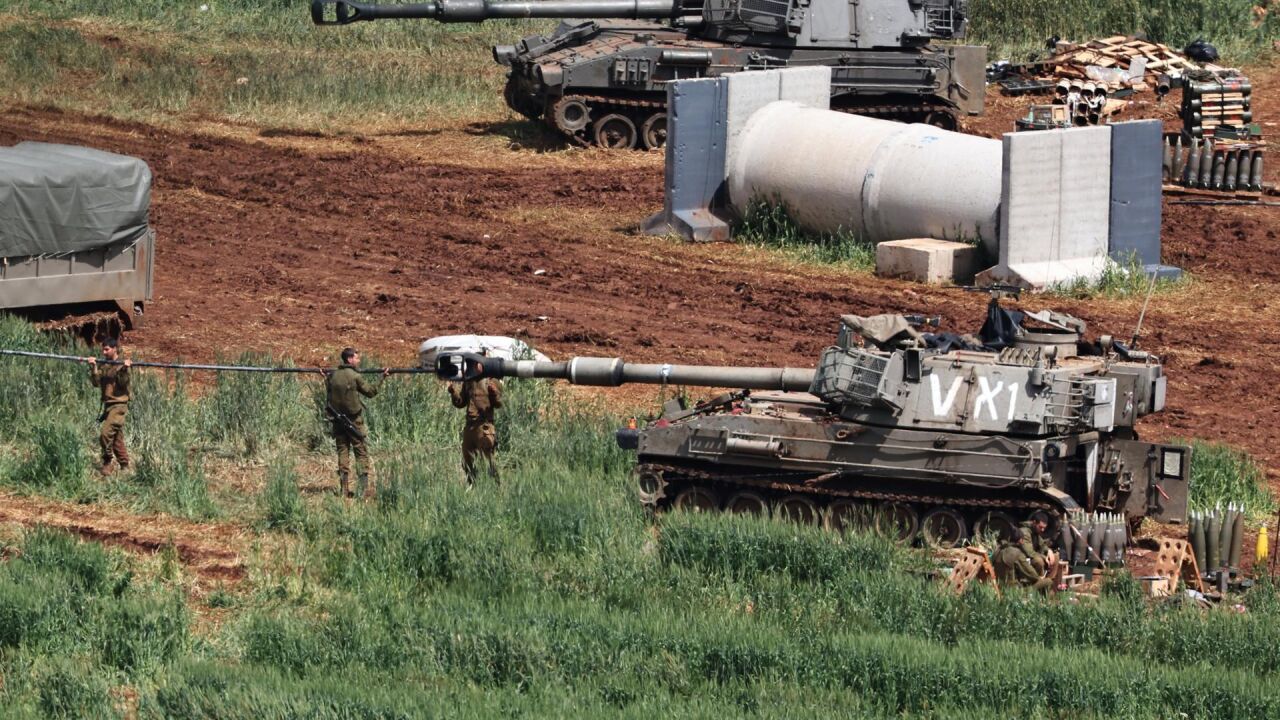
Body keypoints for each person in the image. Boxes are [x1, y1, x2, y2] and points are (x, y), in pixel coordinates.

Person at [325, 347, 389, 499]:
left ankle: (344, 490)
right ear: (349, 359)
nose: (358, 360)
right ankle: (362, 491)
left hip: (338, 421)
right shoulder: (355, 376)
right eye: (356, 358)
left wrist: (325, 377)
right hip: (354, 421)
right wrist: (382, 378)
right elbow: (371, 392)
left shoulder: (333, 376)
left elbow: (329, 390)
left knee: (342, 452)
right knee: (360, 452)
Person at [448, 355, 502, 486]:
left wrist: (494, 393)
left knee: (488, 461)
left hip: (484, 427)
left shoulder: (492, 380)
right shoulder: (469, 380)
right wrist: (453, 393)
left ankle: (496, 487)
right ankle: (473, 486)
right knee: (467, 460)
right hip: (470, 427)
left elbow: (499, 403)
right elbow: (461, 402)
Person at [85, 337, 132, 475]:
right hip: (108, 406)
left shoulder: (122, 365)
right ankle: (125, 465)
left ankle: (107, 462)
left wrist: (124, 369)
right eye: (103, 350)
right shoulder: (104, 365)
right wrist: (94, 366)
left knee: (105, 434)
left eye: (107, 349)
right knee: (116, 438)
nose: (104, 352)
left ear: (114, 349)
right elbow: (96, 383)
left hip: (119, 405)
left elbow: (123, 383)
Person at [993, 526, 1054, 593]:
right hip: (1013, 591)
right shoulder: (1016, 554)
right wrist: (1039, 578)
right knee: (1048, 581)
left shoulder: (997, 551)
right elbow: (1030, 573)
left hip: (1000, 586)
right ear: (1020, 540)